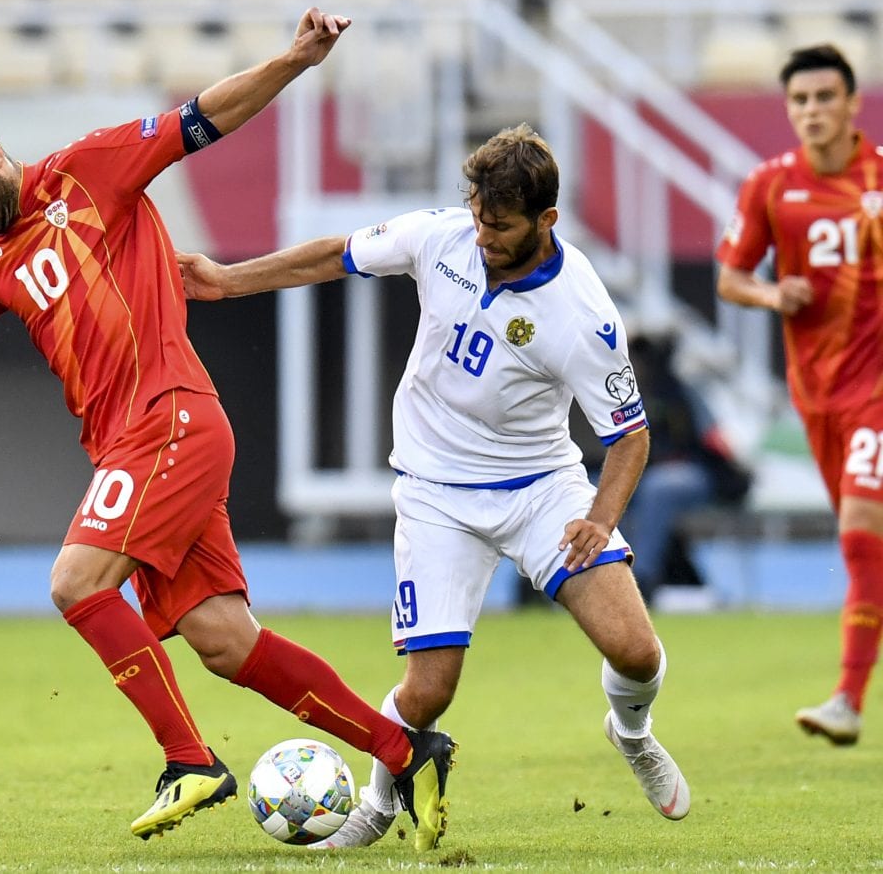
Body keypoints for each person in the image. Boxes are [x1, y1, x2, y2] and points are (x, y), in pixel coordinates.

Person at [0, 8, 457, 850]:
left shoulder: (90, 171)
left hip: (168, 417)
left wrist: (294, 60)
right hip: (139, 443)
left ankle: (190, 760)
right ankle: (405, 748)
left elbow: (202, 118)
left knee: (75, 583)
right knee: (223, 640)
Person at [178, 122, 692, 848]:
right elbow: (337, 254)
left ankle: (631, 731)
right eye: (479, 216)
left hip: (541, 487)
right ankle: (376, 804)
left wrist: (600, 520)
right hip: (435, 492)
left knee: (635, 651)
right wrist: (228, 279)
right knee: (428, 693)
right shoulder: (442, 237)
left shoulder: (584, 315)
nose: (483, 237)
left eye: (502, 226)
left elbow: (629, 436)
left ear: (547, 220)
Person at [717, 44, 883, 746]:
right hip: (815, 395)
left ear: (852, 103)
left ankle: (847, 697)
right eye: (800, 100)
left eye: (824, 97)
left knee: (860, 533)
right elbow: (730, 277)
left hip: (876, 391)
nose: (812, 111)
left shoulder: (878, 179)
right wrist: (769, 292)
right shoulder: (769, 185)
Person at [617, 332, 751, 605]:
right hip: (640, 475)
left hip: (693, 474)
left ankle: (641, 579)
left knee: (661, 486)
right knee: (601, 485)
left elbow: (715, 441)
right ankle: (601, 577)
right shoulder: (619, 394)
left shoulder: (682, 392)